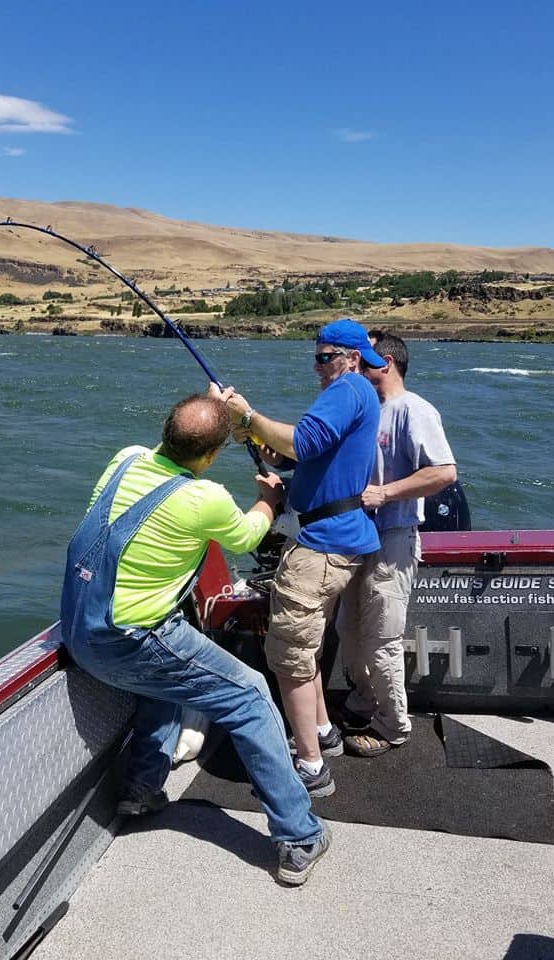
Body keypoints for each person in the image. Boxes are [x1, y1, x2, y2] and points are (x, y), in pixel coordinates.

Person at [61, 393, 329, 886]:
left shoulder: (127, 459)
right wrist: (269, 499)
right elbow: (248, 537)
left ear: (164, 431)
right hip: (134, 640)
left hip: (81, 630)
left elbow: (180, 446)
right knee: (249, 695)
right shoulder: (204, 498)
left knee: (165, 683)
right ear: (211, 458)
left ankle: (141, 788)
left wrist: (210, 413)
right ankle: (298, 835)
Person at [224, 319, 386, 797]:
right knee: (308, 647)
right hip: (339, 538)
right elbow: (297, 458)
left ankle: (311, 769)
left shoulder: (348, 388)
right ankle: (322, 732)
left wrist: (249, 416)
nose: (317, 368)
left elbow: (299, 442)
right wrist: (251, 434)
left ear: (351, 358)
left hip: (320, 547)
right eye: (314, 357)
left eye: (324, 357)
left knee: (289, 657)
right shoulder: (356, 393)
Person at [336, 330, 457, 757]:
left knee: (382, 639)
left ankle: (392, 725)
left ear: (385, 362)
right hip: (357, 541)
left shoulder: (414, 410)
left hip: (393, 539)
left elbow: (444, 472)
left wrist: (386, 493)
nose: (353, 363)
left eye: (362, 358)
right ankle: (366, 699)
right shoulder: (366, 410)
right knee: (349, 632)